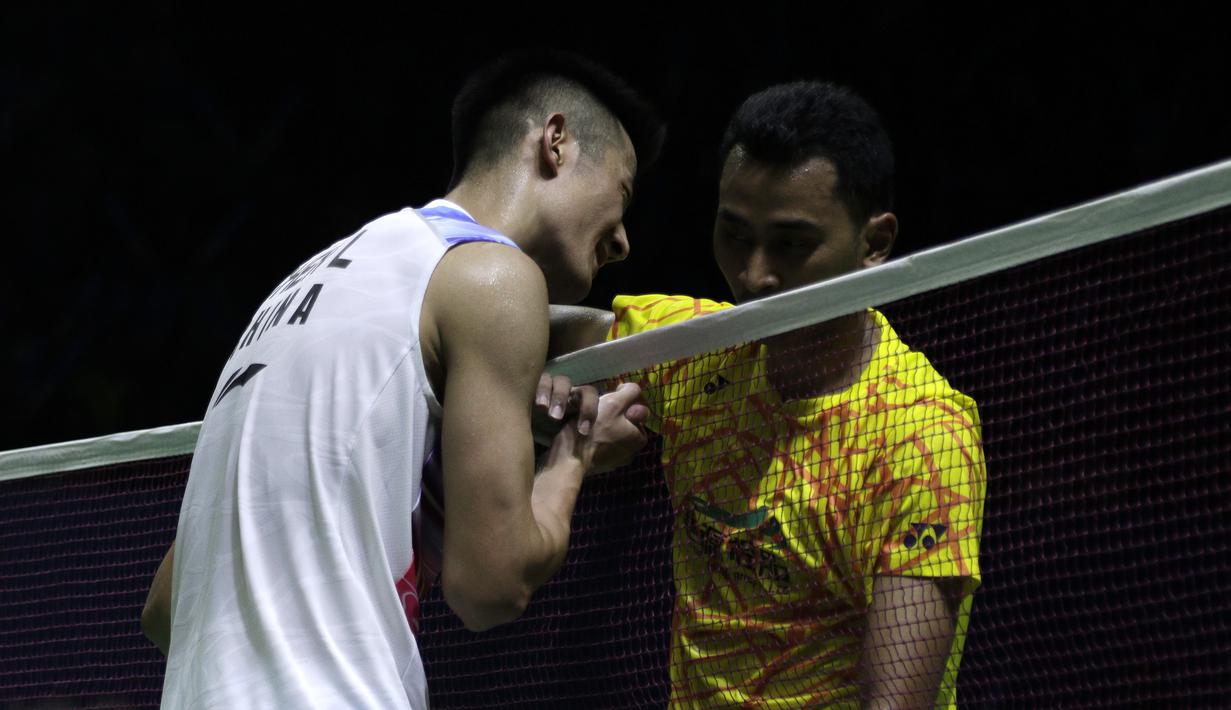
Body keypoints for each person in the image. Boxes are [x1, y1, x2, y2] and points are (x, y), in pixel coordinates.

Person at [139, 49, 664, 709]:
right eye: (622, 193)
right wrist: (573, 456)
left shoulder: (299, 294)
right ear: (554, 142)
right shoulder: (495, 278)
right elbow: (490, 587)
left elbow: (165, 606)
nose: (622, 242)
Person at [549, 81, 986, 709]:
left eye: (791, 244)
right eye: (734, 233)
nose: (754, 276)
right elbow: (515, 326)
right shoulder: (699, 348)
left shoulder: (920, 438)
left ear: (875, 243)